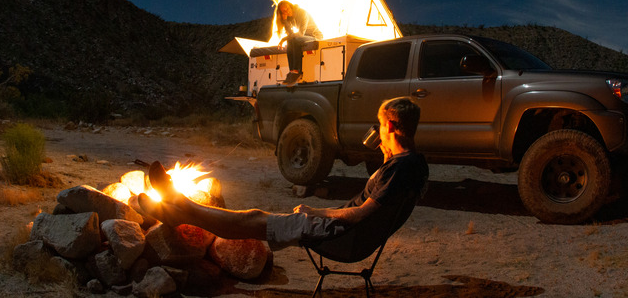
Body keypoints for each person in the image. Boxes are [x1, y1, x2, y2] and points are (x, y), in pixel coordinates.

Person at [132, 97, 428, 251]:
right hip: (350, 236)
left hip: (338, 235)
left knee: (250, 221)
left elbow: (361, 214)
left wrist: (318, 212)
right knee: (255, 216)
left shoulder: (399, 169)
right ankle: (179, 207)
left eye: (380, 124)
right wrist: (388, 154)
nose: (377, 131)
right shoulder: (412, 164)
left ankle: (179, 208)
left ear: (389, 126)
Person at [275, 0, 323, 85]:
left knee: (295, 40)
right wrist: (285, 21)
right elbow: (290, 34)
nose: (287, 12)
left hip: (314, 36)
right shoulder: (290, 18)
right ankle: (292, 71)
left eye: (287, 8)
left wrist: (283, 39)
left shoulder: (302, 13)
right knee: (290, 41)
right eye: (284, 11)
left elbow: (300, 34)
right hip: (304, 37)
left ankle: (297, 71)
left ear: (290, 6)